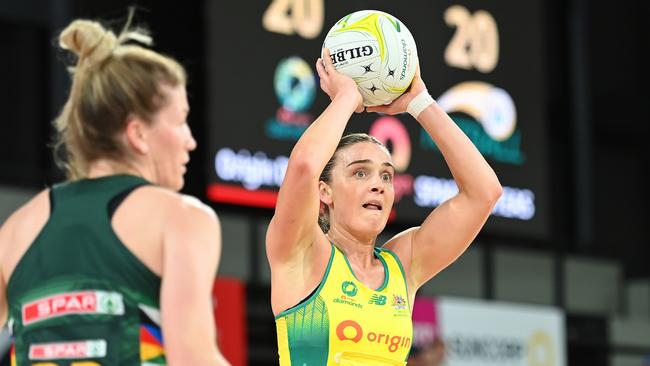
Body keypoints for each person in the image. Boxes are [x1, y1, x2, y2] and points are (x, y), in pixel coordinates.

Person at [0, 14, 229, 366]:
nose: (191, 141)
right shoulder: (182, 218)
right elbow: (192, 359)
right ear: (137, 133)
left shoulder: (14, 231)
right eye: (181, 119)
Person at [266, 48, 502, 365]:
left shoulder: (403, 265)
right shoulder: (303, 251)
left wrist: (420, 103)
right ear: (325, 191)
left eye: (387, 176)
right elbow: (305, 166)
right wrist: (346, 98)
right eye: (360, 172)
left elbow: (484, 192)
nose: (378, 184)